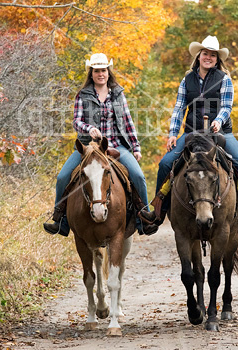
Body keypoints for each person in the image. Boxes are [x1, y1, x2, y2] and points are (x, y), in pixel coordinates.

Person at [141, 35, 238, 229]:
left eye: (213, 55)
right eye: (205, 53)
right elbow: (179, 108)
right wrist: (173, 133)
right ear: (199, 56)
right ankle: (158, 211)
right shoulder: (187, 79)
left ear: (217, 59)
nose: (208, 57)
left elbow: (226, 106)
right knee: (165, 163)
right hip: (192, 132)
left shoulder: (224, 79)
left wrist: (217, 121)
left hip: (220, 132)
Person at [44, 53, 156, 237]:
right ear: (92, 73)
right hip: (89, 148)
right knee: (63, 177)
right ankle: (60, 221)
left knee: (138, 176)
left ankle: (144, 219)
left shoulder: (119, 94)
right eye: (96, 71)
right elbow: (76, 121)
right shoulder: (83, 95)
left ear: (108, 72)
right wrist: (88, 129)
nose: (100, 74)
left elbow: (128, 122)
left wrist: (135, 147)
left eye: (103, 70)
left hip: (116, 147)